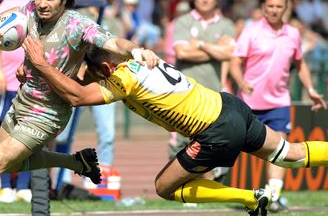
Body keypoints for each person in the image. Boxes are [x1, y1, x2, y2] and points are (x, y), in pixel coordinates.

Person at [21, 37, 327, 216]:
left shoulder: (122, 78)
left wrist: (41, 64)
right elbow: (82, 76)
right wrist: (42, 72)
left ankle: (250, 198)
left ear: (104, 67)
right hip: (229, 105)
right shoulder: (130, 58)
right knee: (293, 155)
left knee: (164, 187)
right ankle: (255, 198)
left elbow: (76, 95)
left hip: (214, 129)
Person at [0, 0, 158, 215]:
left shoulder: (77, 25)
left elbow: (114, 43)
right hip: (21, 102)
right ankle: (76, 162)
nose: (42, 3)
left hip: (48, 114)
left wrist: (137, 51)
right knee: (12, 166)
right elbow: (1, 19)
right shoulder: (30, 9)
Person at [229, 0, 326, 213]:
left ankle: (273, 196)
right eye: (270, 6)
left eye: (279, 6)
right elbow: (235, 62)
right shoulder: (250, 32)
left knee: (281, 150)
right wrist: (241, 83)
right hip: (248, 103)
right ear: (263, 6)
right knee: (229, 145)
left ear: (286, 8)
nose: (274, 10)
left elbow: (300, 64)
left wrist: (310, 89)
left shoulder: (293, 33)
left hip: (279, 102)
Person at [0, 0, 48, 210]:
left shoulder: (46, 9)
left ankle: (23, 185)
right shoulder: (11, 5)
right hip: (10, 81)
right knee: (4, 130)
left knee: (29, 134)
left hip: (33, 84)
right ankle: (4, 185)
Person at [54, 0, 122, 185]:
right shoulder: (75, 17)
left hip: (102, 83)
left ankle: (101, 181)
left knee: (108, 135)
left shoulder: (113, 22)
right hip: (75, 80)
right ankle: (62, 180)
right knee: (64, 136)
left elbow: (117, 51)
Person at [170, 0, 236, 181]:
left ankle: (207, 188)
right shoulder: (183, 22)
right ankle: (178, 187)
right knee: (181, 141)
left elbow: (230, 53)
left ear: (216, 0)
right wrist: (215, 49)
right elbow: (182, 52)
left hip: (213, 93)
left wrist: (200, 44)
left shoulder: (227, 24)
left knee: (212, 140)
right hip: (184, 91)